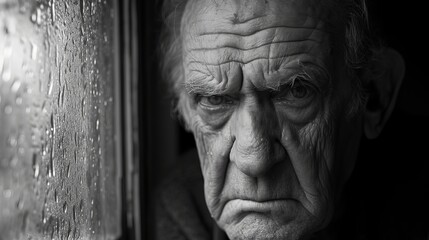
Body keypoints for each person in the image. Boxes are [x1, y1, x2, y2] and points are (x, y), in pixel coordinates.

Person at [155, 0, 408, 239]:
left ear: (375, 97)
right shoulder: (181, 206)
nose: (253, 160)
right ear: (185, 112)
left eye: (296, 91)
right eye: (215, 99)